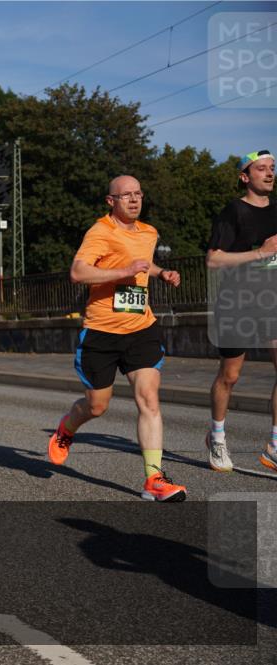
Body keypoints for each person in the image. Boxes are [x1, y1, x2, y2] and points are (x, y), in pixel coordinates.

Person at [47, 175, 186, 501]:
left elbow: (143, 262)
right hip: (102, 333)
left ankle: (154, 479)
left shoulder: (149, 232)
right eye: (126, 196)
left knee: (149, 399)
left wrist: (160, 272)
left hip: (141, 328)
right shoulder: (100, 232)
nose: (135, 200)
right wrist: (122, 272)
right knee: (97, 406)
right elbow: (78, 272)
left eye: (138, 193)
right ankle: (67, 428)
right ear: (111, 201)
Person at [204, 149, 277, 472]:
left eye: (272, 168)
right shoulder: (233, 211)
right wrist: (260, 253)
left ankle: (275, 445)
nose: (270, 173)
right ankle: (217, 437)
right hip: (237, 303)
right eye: (261, 168)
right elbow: (214, 260)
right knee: (230, 376)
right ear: (245, 177)